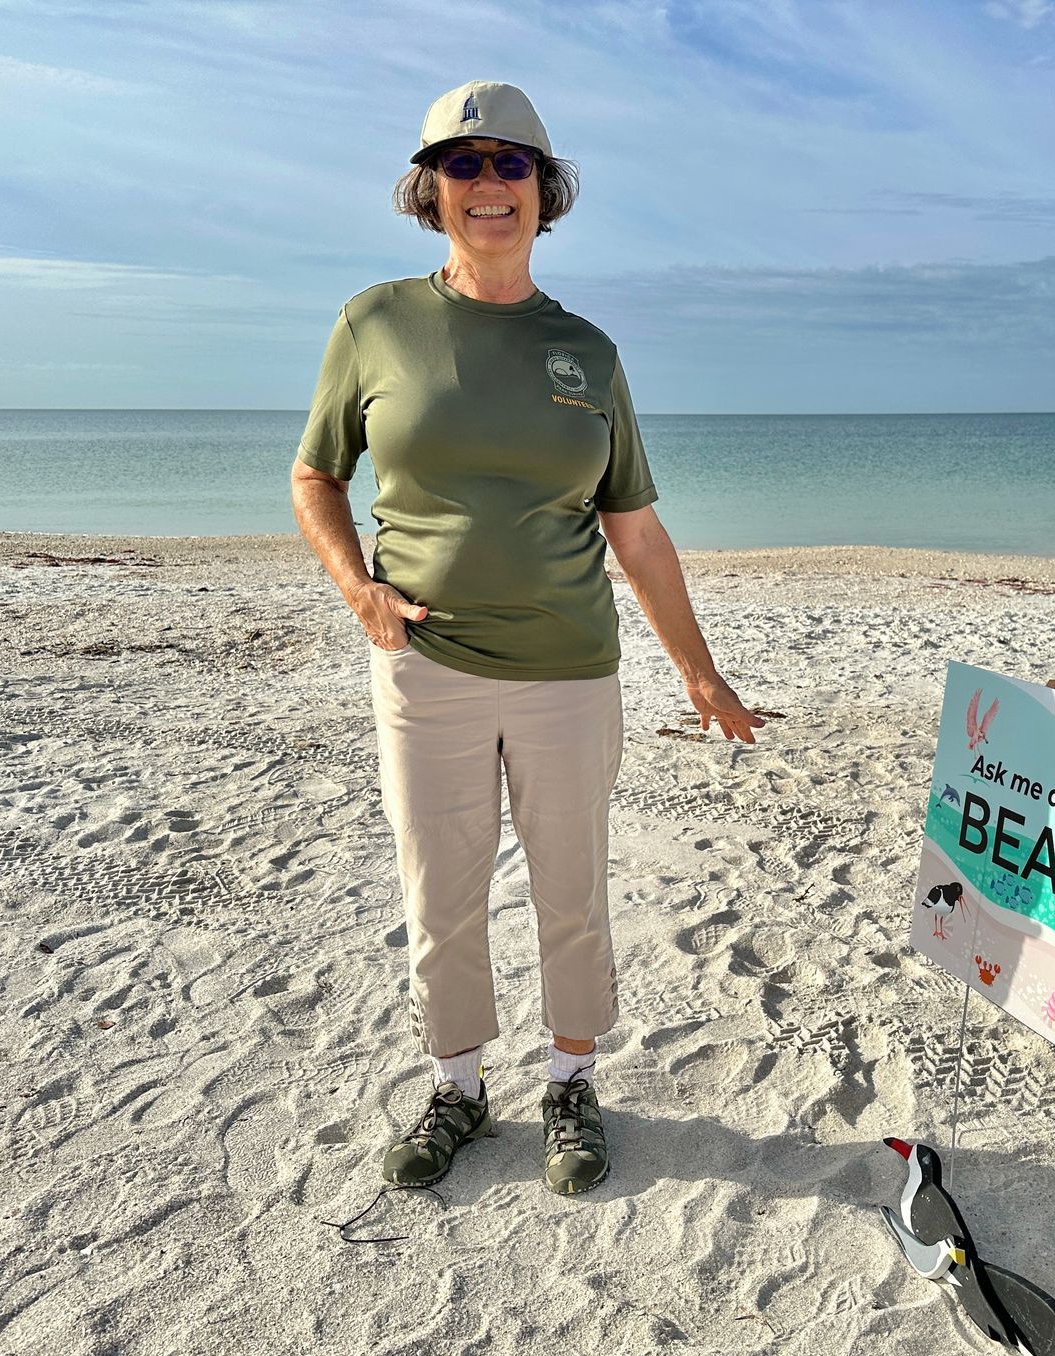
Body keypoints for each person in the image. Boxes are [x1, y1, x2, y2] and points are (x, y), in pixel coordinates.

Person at [291, 81, 762, 1196]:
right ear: (430, 189)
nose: (488, 184)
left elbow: (636, 532)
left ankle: (569, 1082)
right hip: (425, 665)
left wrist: (703, 676)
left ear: (545, 193)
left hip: (567, 669)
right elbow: (317, 475)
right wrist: (357, 586)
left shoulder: (587, 353)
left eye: (512, 166)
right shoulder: (374, 323)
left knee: (571, 887)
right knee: (438, 890)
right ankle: (459, 1087)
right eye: (463, 164)